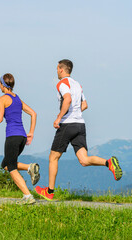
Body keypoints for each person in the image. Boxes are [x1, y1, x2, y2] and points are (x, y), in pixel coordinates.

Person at [35, 59, 123, 201]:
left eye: (57, 69)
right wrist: (74, 113)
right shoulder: (77, 84)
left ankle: (49, 192)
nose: (56, 71)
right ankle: (109, 163)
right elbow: (85, 104)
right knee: (84, 160)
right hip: (80, 125)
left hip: (67, 125)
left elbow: (67, 99)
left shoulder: (62, 83)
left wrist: (59, 117)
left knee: (53, 157)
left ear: (62, 69)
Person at [0, 73, 40, 204]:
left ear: (2, 84)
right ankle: (29, 168)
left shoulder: (2, 99)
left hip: (12, 137)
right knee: (6, 165)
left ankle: (28, 196)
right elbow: (33, 113)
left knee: (12, 168)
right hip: (22, 137)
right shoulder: (17, 99)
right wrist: (30, 133)